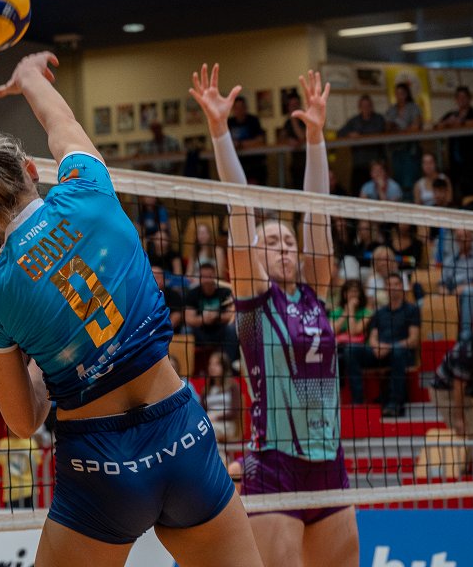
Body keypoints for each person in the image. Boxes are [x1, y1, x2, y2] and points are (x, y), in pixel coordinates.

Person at [0, 53, 261, 567]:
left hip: (99, 464)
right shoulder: (87, 188)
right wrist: (30, 77)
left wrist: (48, 359)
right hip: (182, 434)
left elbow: (24, 420)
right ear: (31, 169)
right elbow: (61, 123)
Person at [190, 64, 358, 567]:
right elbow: (240, 208)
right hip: (274, 465)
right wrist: (220, 131)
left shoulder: (315, 292)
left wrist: (316, 138)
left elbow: (317, 210)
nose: (284, 245)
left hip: (330, 465)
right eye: (272, 242)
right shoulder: (254, 300)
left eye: (288, 240)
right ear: (254, 258)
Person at [347, 273, 420, 417]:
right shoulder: (379, 312)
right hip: (379, 352)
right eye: (389, 284)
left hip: (401, 353)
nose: (392, 288)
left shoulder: (412, 310)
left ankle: (394, 404)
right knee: (351, 350)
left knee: (398, 351)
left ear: (402, 287)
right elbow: (372, 337)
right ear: (385, 288)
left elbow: (413, 340)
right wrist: (377, 347)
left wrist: (390, 347)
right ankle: (358, 402)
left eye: (396, 284)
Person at [436, 85, 473, 195]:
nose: (461, 100)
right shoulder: (452, 114)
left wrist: (461, 122)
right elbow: (438, 126)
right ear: (456, 100)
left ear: (469, 98)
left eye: (464, 97)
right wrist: (448, 122)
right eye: (459, 97)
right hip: (458, 165)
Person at [183, 263, 239, 367]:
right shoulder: (192, 294)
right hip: (201, 331)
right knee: (185, 330)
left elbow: (232, 316)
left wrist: (216, 316)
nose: (207, 280)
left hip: (220, 330)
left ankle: (229, 366)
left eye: (209, 276)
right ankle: (187, 367)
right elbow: (188, 319)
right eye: (203, 277)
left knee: (232, 329)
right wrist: (203, 319)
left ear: (214, 277)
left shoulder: (225, 292)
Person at [439, 229, 473, 340]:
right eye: (459, 237)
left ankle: (466, 335)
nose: (463, 239)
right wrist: (446, 292)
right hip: (452, 294)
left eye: (466, 236)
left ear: (472, 238)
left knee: (468, 292)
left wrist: (464, 288)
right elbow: (441, 284)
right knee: (423, 303)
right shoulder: (449, 260)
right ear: (455, 240)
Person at [337, 95, 387, 193]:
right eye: (363, 106)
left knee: (379, 189)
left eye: (368, 106)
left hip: (376, 162)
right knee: (357, 191)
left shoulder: (378, 119)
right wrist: (349, 134)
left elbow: (379, 131)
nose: (366, 108)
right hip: (359, 163)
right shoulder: (354, 121)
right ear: (359, 107)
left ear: (372, 106)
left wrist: (360, 135)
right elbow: (340, 133)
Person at [384, 81, 423, 195]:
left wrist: (400, 129)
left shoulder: (413, 108)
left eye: (401, 93)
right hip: (396, 149)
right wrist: (401, 128)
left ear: (406, 94)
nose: (399, 96)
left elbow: (416, 126)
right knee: (398, 178)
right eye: (397, 93)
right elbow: (387, 127)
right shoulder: (392, 109)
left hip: (410, 149)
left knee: (410, 179)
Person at [201, 351, 243, 454]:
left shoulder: (233, 386)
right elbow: (201, 412)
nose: (212, 367)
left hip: (227, 424)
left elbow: (235, 412)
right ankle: (222, 459)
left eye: (216, 364)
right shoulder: (206, 389)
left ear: (224, 367)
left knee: (209, 432)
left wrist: (216, 417)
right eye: (210, 364)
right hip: (209, 423)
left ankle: (219, 461)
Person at [0, 432, 44, 510]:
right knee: (31, 516)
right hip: (29, 489)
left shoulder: (3, 444)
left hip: (12, 491)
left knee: (13, 517)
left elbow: (0, 461)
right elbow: (37, 463)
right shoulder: (31, 443)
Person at [227, 95, 267, 185]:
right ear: (233, 109)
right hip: (236, 164)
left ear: (245, 108)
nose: (240, 110)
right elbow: (226, 144)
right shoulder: (229, 122)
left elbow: (260, 140)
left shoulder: (253, 120)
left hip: (254, 164)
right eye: (237, 108)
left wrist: (240, 144)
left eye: (242, 107)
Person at [152, 266, 186, 333]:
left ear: (164, 279)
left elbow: (176, 316)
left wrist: (159, 331)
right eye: (152, 278)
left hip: (169, 332)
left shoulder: (173, 295)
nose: (154, 280)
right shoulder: (141, 296)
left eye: (157, 277)